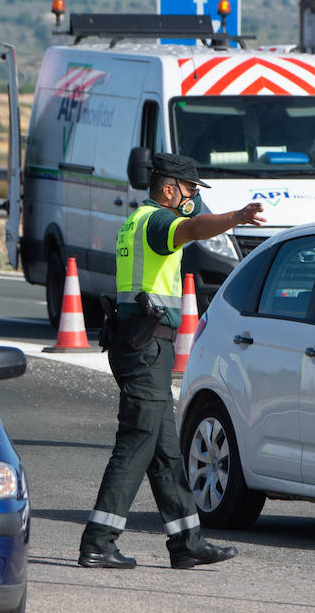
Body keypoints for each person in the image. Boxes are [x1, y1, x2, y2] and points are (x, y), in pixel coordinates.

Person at [78, 151, 266, 569]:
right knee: (135, 445)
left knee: (165, 451)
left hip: (141, 344)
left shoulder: (135, 220)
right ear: (168, 189)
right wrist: (236, 216)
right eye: (190, 190)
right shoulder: (159, 222)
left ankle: (186, 541)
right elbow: (195, 228)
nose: (193, 197)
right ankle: (98, 540)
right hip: (146, 348)